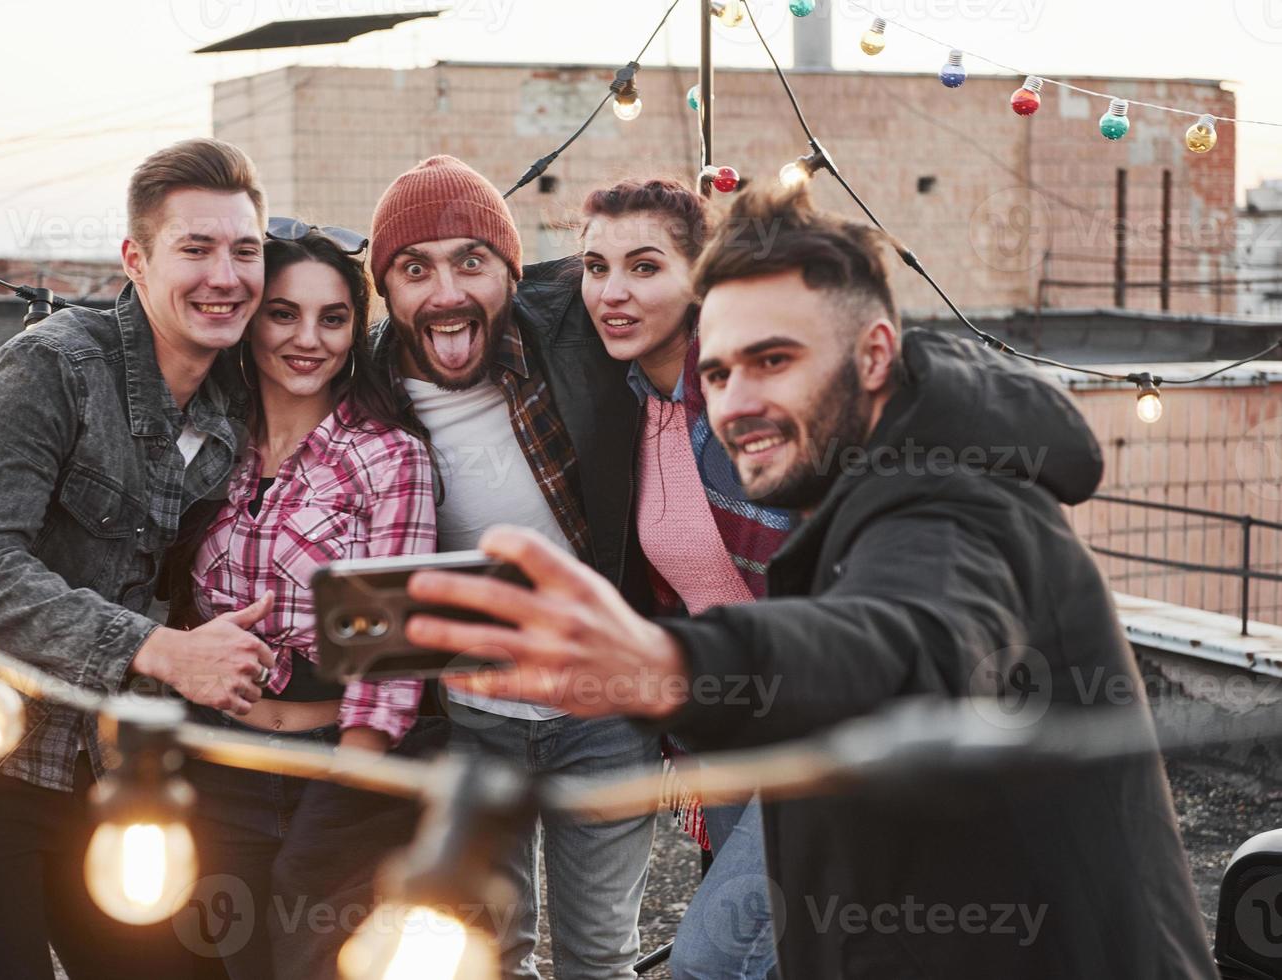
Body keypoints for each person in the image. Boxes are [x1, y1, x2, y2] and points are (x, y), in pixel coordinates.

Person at [404, 185, 1218, 979]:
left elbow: (909, 643)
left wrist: (671, 662)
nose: (737, 404)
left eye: (774, 360)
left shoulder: (949, 495)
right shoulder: (834, 478)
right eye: (717, 375)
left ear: (872, 354)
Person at [0, 138, 275, 979]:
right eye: (195, 248)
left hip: (91, 748)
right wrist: (167, 652)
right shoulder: (51, 366)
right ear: (135, 260)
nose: (225, 275)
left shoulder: (234, 396)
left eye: (245, 250)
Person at [367, 154, 661, 980]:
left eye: (472, 260)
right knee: (488, 957)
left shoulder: (576, 328)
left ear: (512, 270)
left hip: (603, 709)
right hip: (467, 720)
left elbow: (688, 279)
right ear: (385, 290)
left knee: (600, 957)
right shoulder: (360, 382)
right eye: (414, 268)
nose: (447, 291)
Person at [164, 225, 439, 980]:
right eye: (283, 313)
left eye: (333, 317)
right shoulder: (208, 442)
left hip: (339, 761)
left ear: (358, 327)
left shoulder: (389, 455)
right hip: (219, 754)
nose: (307, 339)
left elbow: (391, 652)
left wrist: (352, 782)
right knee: (230, 962)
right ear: (250, 319)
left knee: (322, 963)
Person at [580, 176, 787, 980]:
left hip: (816, 721)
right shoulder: (640, 400)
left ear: (699, 278)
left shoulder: (745, 401)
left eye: (643, 266)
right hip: (727, 725)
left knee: (712, 960)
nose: (612, 292)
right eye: (595, 268)